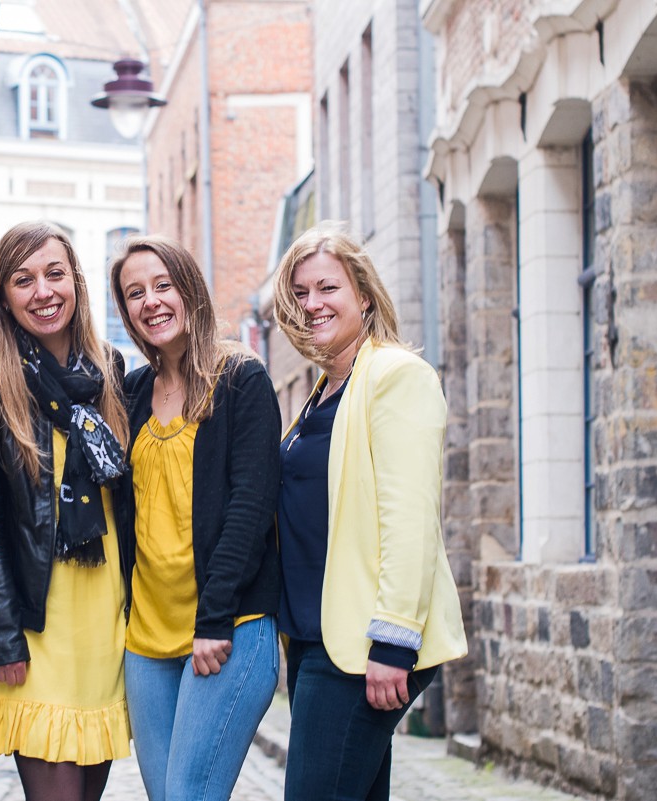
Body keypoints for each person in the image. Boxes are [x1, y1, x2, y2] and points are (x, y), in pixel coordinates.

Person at [271, 223, 467, 801]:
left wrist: (392, 643)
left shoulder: (396, 375)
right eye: (300, 293)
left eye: (327, 288)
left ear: (363, 293)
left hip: (364, 644)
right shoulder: (322, 393)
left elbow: (410, 519)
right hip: (316, 638)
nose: (313, 304)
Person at [0, 221, 133, 801]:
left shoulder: (111, 369)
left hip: (105, 620)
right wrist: (3, 637)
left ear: (76, 281)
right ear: (4, 296)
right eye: (23, 280)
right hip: (38, 626)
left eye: (55, 274)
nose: (43, 291)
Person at [108, 235, 282, 801]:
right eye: (135, 293)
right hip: (147, 642)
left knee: (189, 795)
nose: (151, 301)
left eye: (163, 285)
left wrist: (213, 618)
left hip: (227, 628)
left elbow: (249, 507)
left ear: (190, 290)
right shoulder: (133, 392)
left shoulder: (240, 378)